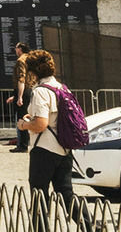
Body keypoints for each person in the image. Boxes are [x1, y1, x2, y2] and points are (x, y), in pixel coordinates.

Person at [16, 48, 79, 215]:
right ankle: (89, 225)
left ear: (33, 71)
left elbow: (41, 124)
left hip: (44, 150)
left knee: (39, 195)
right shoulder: (62, 87)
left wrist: (24, 124)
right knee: (66, 194)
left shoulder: (40, 91)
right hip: (64, 149)